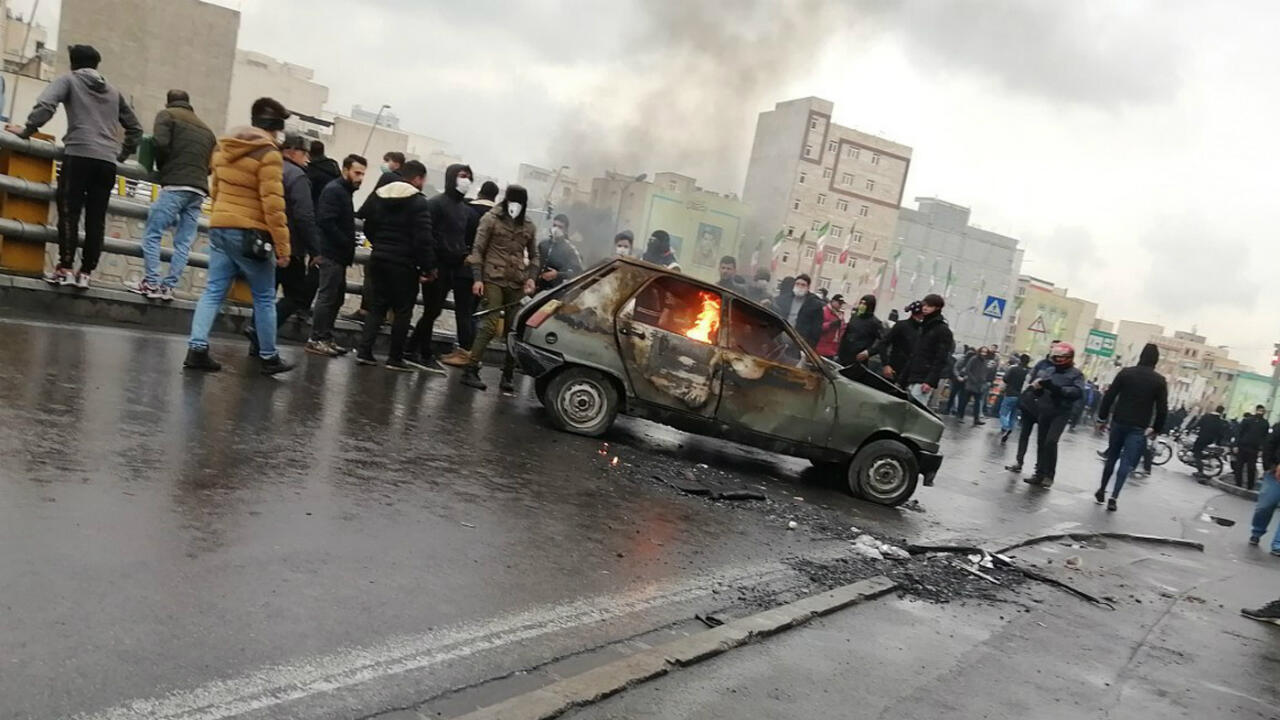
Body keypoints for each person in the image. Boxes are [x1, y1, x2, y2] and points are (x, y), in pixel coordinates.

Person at [12, 44, 142, 289]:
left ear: (73, 62)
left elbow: (46, 106)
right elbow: (135, 128)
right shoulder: (114, 91)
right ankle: (86, 273)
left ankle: (66, 267)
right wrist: (121, 154)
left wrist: (28, 130)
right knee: (96, 218)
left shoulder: (69, 80)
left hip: (79, 154)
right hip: (106, 161)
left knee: (69, 212)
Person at [182, 97, 293, 375]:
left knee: (213, 290)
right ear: (275, 128)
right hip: (250, 233)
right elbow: (273, 205)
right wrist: (283, 247)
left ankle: (197, 349)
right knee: (265, 296)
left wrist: (220, 221)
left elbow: (216, 190)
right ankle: (268, 357)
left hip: (220, 226)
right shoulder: (268, 154)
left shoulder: (224, 146)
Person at [124, 89, 215, 300]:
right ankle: (168, 287)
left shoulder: (167, 115)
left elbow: (161, 144)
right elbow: (211, 165)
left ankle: (151, 282)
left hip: (175, 185)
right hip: (199, 190)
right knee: (183, 243)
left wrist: (163, 168)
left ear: (168, 102)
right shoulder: (207, 130)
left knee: (153, 233)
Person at [246, 133, 322, 355]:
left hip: (262, 241)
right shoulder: (297, 176)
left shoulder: (269, 168)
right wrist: (315, 249)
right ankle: (260, 332)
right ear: (293, 151)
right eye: (304, 153)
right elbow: (304, 215)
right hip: (290, 246)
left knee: (264, 293)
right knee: (297, 295)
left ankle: (256, 342)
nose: (307, 158)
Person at [460, 185, 538, 393]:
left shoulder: (528, 225)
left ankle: (508, 374)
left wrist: (531, 277)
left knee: (515, 328)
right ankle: (471, 367)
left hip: (516, 281)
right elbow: (478, 249)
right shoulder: (491, 218)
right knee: (490, 324)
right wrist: (478, 278)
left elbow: (534, 254)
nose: (515, 206)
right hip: (492, 277)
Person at [355, 160, 432, 372]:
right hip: (404, 263)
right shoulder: (418, 202)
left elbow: (368, 223)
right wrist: (428, 267)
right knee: (403, 310)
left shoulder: (380, 195)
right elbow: (423, 239)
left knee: (376, 307)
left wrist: (379, 244)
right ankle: (395, 357)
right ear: (417, 179)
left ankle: (364, 351)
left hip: (379, 258)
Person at [405, 163, 471, 374]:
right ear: (452, 178)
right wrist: (429, 265)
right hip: (437, 266)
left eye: (468, 177)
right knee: (432, 310)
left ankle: (422, 351)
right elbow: (427, 235)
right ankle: (415, 349)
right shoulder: (436, 204)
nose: (466, 180)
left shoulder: (463, 208)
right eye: (462, 176)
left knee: (435, 310)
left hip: (453, 267)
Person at [1094, 343, 1168, 511]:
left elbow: (1109, 396)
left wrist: (1102, 418)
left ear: (1141, 356)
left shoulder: (1125, 373)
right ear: (1156, 360)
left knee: (1111, 456)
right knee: (1126, 462)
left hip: (1119, 422)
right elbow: (1163, 409)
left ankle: (1101, 490)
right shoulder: (1159, 381)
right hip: (1138, 427)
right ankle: (1114, 497)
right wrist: (1156, 429)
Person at [308, 153, 367, 356]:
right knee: (327, 297)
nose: (360, 178)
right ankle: (316, 338)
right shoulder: (335, 190)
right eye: (357, 173)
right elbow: (326, 221)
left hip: (338, 255)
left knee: (336, 297)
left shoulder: (344, 191)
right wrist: (344, 241)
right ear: (345, 171)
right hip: (331, 253)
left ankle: (325, 336)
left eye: (363, 174)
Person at [441, 180, 499, 367]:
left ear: (480, 193)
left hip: (465, 267)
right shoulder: (499, 216)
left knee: (463, 311)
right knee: (475, 312)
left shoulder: (467, 210)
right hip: (487, 272)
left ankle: (465, 352)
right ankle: (472, 352)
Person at [1019, 342, 1086, 488]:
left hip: (1061, 412)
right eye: (1055, 357)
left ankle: (1050, 474)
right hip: (1044, 409)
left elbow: (1077, 392)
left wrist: (1058, 389)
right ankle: (1039, 473)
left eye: (1061, 357)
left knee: (1051, 441)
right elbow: (1039, 390)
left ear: (1068, 358)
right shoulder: (1049, 371)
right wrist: (1037, 389)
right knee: (1041, 442)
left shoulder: (1076, 374)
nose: (1057, 360)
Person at [903, 294, 954, 412]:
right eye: (924, 305)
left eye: (929, 306)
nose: (925, 308)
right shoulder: (924, 327)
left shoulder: (942, 330)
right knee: (907, 410)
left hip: (924, 378)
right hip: (914, 375)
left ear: (936, 308)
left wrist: (929, 381)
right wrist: (903, 378)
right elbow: (915, 354)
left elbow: (941, 358)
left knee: (915, 411)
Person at [1248, 422, 1280, 553]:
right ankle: (1257, 531)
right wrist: (1269, 466)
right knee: (1265, 505)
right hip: (1275, 473)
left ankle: (1278, 544)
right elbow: (1269, 445)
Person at [874, 300, 922, 387]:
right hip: (893, 371)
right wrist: (886, 364)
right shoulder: (902, 326)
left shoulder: (923, 331)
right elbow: (883, 344)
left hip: (909, 377)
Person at [537, 213, 584, 292]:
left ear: (565, 230)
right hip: (536, 287)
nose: (556, 229)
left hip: (555, 291)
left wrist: (558, 275)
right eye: (554, 225)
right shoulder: (543, 244)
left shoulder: (570, 249)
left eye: (560, 227)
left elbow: (578, 272)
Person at [775, 273, 824, 348]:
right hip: (780, 341)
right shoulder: (785, 299)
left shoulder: (815, 304)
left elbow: (816, 330)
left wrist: (810, 348)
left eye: (803, 285)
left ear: (808, 287)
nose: (799, 287)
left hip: (799, 345)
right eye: (797, 284)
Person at [837, 294, 883, 366]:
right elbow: (847, 332)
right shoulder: (855, 316)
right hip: (844, 355)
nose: (861, 305)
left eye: (864, 304)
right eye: (861, 303)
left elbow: (882, 341)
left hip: (858, 358)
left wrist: (869, 352)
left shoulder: (875, 323)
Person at [957, 346, 995, 426]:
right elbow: (968, 369)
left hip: (979, 385)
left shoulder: (985, 361)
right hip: (971, 384)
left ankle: (976, 419)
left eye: (985, 352)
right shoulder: (974, 359)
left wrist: (988, 372)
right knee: (965, 401)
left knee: (977, 402)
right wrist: (972, 378)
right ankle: (960, 416)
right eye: (982, 352)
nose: (983, 354)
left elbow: (986, 371)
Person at [998, 354, 1031, 442]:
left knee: (1003, 413)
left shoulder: (1013, 368)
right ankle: (1010, 428)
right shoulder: (1029, 372)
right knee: (1013, 415)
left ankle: (1006, 427)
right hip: (1021, 396)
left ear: (1020, 360)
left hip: (1010, 393)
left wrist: (1002, 389)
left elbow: (1005, 379)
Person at [1193, 405, 1230, 480]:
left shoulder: (1206, 416)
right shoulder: (1220, 421)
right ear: (1222, 412)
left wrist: (1190, 429)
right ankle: (1201, 461)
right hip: (1210, 440)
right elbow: (1220, 433)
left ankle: (1200, 471)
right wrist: (1218, 443)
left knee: (1196, 453)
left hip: (1202, 438)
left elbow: (1197, 424)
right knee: (1200, 451)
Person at [1237, 405, 1269, 490]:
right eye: (1259, 411)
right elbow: (1240, 433)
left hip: (1254, 448)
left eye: (1262, 411)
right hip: (1243, 446)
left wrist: (1261, 449)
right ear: (1256, 410)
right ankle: (1238, 483)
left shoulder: (1265, 423)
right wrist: (1236, 445)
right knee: (1239, 466)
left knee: (1251, 468)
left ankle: (1250, 486)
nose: (1260, 412)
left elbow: (1265, 437)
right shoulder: (1248, 420)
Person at [305, 141, 340, 207]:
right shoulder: (334, 164)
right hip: (333, 205)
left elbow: (306, 192)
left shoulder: (311, 170)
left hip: (316, 206)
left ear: (309, 153)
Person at [813, 294, 845, 359]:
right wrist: (831, 324)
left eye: (842, 303)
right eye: (839, 303)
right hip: (821, 348)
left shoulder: (840, 314)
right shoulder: (824, 311)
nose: (840, 305)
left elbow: (841, 330)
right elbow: (817, 327)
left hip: (832, 350)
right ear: (833, 301)